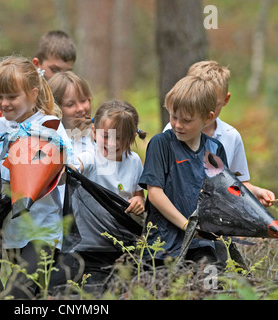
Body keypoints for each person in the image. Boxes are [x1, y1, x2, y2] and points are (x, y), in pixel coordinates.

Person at [0, 56, 73, 298]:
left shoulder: (50, 126)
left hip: (44, 228)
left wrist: (53, 169)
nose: (4, 103)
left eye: (12, 97)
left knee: (16, 293)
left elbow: (70, 168)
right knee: (32, 296)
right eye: (0, 96)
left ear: (33, 93)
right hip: (12, 229)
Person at [54, 100, 146, 287]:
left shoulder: (134, 161)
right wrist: (65, 166)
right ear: (94, 132)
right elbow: (75, 166)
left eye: (120, 138)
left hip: (122, 248)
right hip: (87, 249)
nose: (112, 143)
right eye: (106, 136)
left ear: (131, 137)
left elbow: (138, 194)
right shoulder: (91, 158)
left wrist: (139, 200)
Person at [139, 75, 228, 265]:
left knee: (209, 287)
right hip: (163, 246)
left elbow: (221, 197)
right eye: (174, 116)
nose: (178, 124)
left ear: (208, 118)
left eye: (187, 120)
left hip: (204, 245)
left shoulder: (215, 149)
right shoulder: (160, 144)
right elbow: (154, 193)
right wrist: (187, 226)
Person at [163, 60, 275, 206]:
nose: (206, 111)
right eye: (199, 104)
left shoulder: (231, 136)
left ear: (225, 100)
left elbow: (236, 184)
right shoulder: (172, 132)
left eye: (212, 105)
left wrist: (256, 192)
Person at [48, 71, 95, 154]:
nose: (80, 108)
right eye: (70, 104)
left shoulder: (100, 136)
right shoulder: (50, 141)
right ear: (55, 108)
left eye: (83, 100)